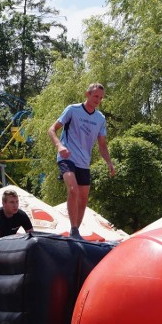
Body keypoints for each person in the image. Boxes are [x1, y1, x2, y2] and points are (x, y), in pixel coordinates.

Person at [47, 83, 116, 240]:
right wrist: (59, 146)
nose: (98, 100)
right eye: (95, 96)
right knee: (73, 189)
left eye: (101, 97)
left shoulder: (100, 119)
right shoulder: (73, 110)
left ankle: (75, 232)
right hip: (67, 157)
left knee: (84, 197)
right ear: (87, 94)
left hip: (84, 162)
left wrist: (109, 163)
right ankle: (74, 229)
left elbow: (102, 145)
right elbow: (51, 129)